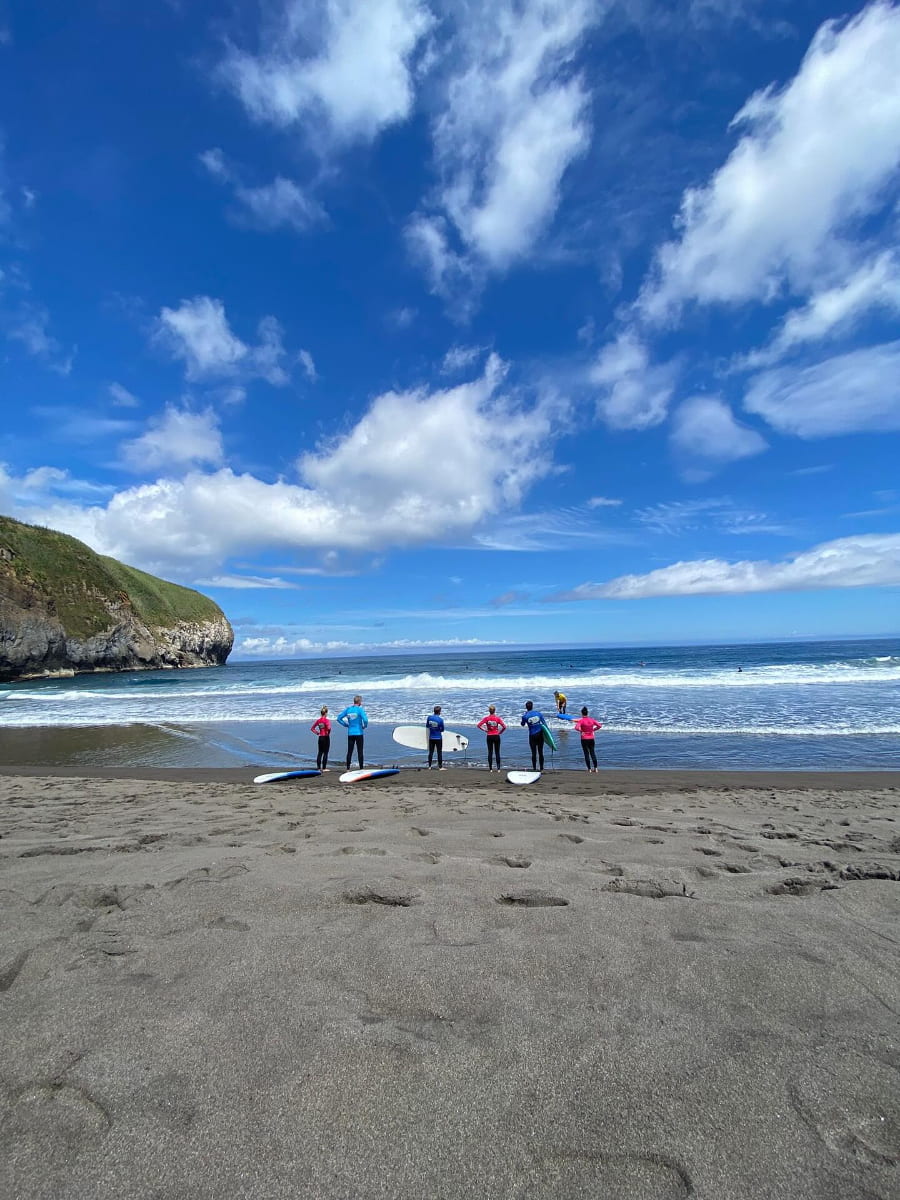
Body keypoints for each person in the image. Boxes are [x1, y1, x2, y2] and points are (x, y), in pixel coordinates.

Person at [337, 695, 368, 770]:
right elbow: (366, 720)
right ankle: (361, 769)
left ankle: (348, 769)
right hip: (359, 733)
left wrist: (345, 725)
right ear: (360, 702)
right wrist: (364, 726)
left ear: (354, 701)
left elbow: (338, 718)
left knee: (349, 751)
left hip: (350, 733)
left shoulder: (348, 709)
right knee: (360, 751)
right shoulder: (360, 710)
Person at [477, 705, 507, 772]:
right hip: (496, 736)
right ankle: (498, 769)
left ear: (489, 711)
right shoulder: (497, 718)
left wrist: (485, 730)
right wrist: (500, 732)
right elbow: (504, 727)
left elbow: (478, 725)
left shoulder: (486, 718)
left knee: (490, 752)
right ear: (494, 711)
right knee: (497, 752)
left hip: (489, 736)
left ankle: (490, 769)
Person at [573, 705, 602, 773]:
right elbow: (599, 726)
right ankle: (596, 768)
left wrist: (581, 731)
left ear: (582, 713)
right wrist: (593, 730)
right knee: (592, 753)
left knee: (586, 753)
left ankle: (589, 769)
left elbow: (576, 728)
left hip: (584, 739)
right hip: (591, 738)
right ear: (587, 713)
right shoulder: (592, 720)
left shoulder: (581, 721)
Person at [520, 700, 547, 771]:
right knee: (541, 752)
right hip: (540, 734)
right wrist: (548, 735)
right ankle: (541, 768)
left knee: (533, 753)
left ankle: (534, 768)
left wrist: (524, 719)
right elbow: (544, 724)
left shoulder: (525, 716)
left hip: (532, 735)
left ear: (526, 707)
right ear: (532, 706)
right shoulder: (538, 713)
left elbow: (522, 724)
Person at [310, 705, 331, 771]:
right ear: (326, 713)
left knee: (320, 752)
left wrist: (317, 733)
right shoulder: (326, 720)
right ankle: (324, 768)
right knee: (326, 753)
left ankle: (319, 768)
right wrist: (328, 732)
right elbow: (329, 728)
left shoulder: (318, 721)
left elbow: (312, 728)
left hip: (320, 737)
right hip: (326, 737)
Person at [425, 705, 446, 770]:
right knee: (439, 752)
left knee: (431, 752)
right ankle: (440, 767)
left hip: (431, 737)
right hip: (438, 738)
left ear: (434, 711)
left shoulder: (429, 718)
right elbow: (442, 730)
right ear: (439, 712)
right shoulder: (440, 720)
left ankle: (429, 766)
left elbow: (427, 726)